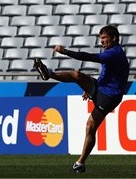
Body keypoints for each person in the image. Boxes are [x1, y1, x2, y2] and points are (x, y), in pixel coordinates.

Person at [34, 25, 129, 173]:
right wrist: (90, 88)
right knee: (76, 75)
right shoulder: (110, 52)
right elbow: (108, 75)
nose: (101, 41)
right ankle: (48, 73)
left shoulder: (115, 53)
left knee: (91, 126)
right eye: (100, 38)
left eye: (104, 38)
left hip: (109, 97)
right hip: (100, 88)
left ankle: (80, 162)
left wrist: (65, 51)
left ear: (114, 38)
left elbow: (89, 57)